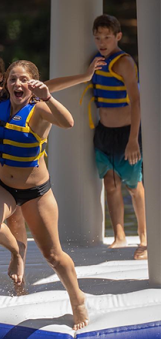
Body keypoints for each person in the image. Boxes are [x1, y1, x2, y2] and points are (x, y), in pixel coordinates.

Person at [0, 53, 104, 290]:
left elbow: (65, 117)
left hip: (29, 181)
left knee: (39, 242)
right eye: (12, 79)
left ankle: (63, 290)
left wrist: (75, 82)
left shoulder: (36, 104)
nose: (17, 84)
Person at [82, 14, 146, 260]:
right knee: (109, 183)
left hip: (125, 133)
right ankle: (119, 236)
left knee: (134, 185)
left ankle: (144, 238)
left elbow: (136, 100)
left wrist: (133, 139)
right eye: (98, 37)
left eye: (107, 37)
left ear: (118, 36)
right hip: (104, 131)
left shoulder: (123, 62)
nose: (102, 42)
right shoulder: (96, 60)